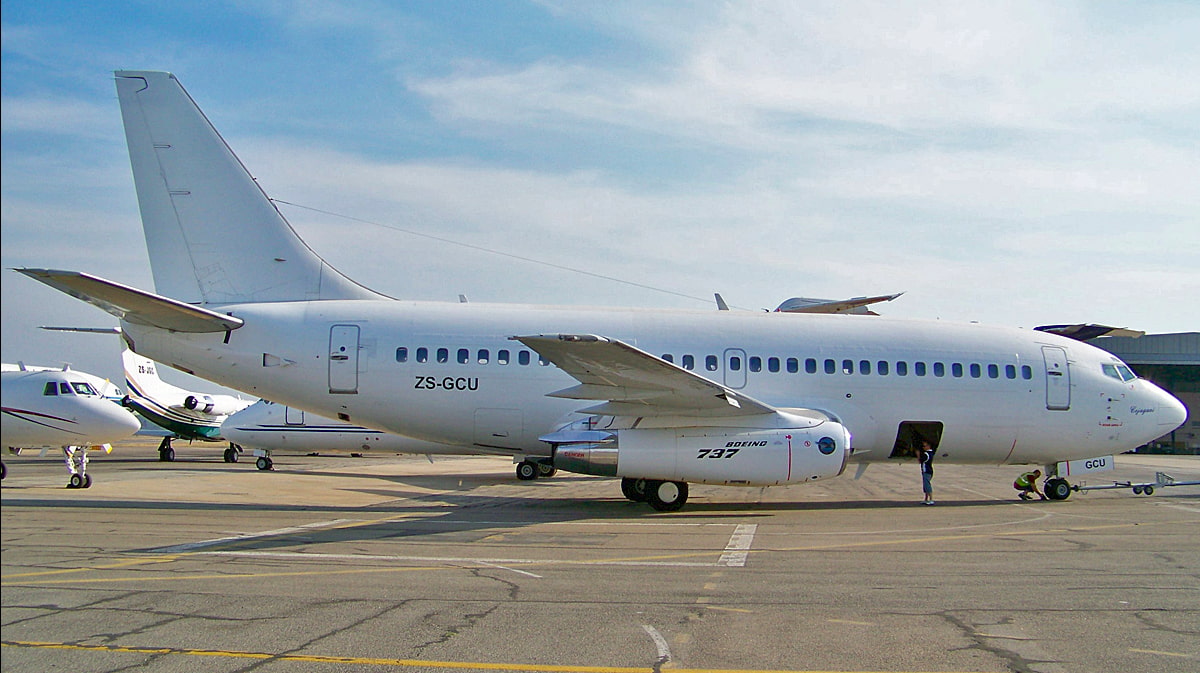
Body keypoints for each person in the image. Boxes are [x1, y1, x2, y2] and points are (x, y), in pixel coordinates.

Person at [918, 440, 935, 505]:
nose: (923, 447)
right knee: (925, 485)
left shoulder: (927, 454)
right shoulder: (930, 453)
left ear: (928, 446)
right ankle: (926, 499)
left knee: (927, 485)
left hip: (927, 471)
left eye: (924, 446)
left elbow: (921, 460)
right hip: (927, 470)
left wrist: (918, 454)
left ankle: (931, 499)